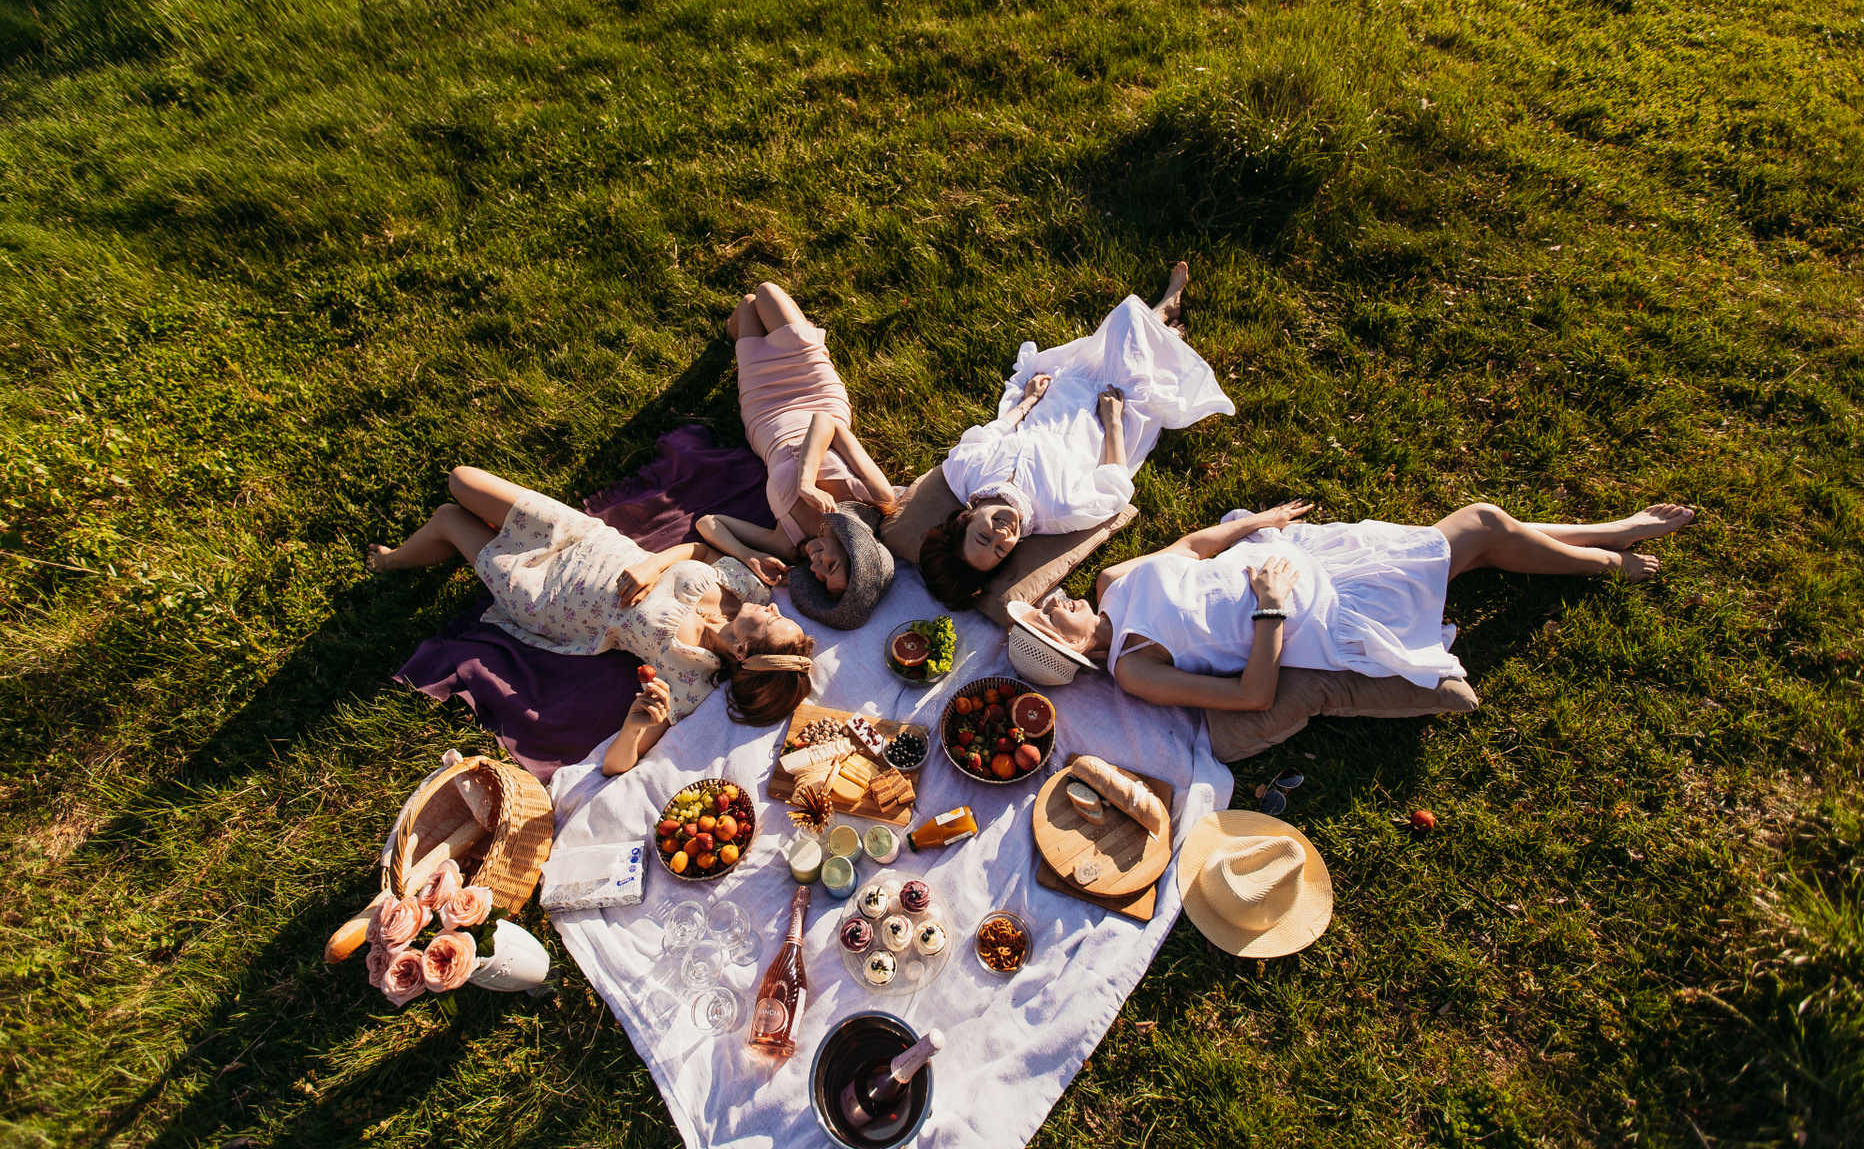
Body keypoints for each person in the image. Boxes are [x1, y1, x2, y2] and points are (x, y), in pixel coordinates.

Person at [1008, 499, 1697, 712]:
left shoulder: (1113, 582)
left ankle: (1609, 536)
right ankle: (1608, 554)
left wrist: (1259, 523)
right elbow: (1252, 696)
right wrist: (1270, 608)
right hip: (1329, 611)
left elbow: (1191, 546)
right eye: (1047, 615)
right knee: (1482, 526)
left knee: (1480, 540)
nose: (1054, 596)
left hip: (1326, 559)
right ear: (1070, 647)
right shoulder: (1135, 668)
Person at [368, 466, 815, 774]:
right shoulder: (749, 591)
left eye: (773, 621)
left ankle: (391, 563)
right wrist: (654, 564)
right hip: (590, 542)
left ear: (742, 650)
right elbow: (700, 548)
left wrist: (635, 724)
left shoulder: (690, 677)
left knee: (449, 518)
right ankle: (448, 546)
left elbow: (615, 765)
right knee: (461, 480)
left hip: (552, 597)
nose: (775, 607)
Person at [917, 262, 1235, 610]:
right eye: (1000, 550)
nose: (1002, 535)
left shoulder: (962, 473)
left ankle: (1162, 333)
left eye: (983, 537)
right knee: (1128, 316)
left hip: (1059, 395)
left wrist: (1027, 401)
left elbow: (994, 431)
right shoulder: (1060, 511)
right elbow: (1115, 487)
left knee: (1123, 331)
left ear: (965, 519)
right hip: (1103, 407)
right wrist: (1113, 421)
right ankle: (1162, 317)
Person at [694, 281, 898, 629]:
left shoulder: (790, 544)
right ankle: (756, 333)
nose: (816, 567)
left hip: (763, 412)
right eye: (831, 566)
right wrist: (806, 483)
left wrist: (749, 555)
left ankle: (740, 331)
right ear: (854, 548)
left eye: (819, 578)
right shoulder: (875, 498)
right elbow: (826, 423)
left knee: (748, 305)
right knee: (765, 291)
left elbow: (708, 523)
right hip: (815, 392)